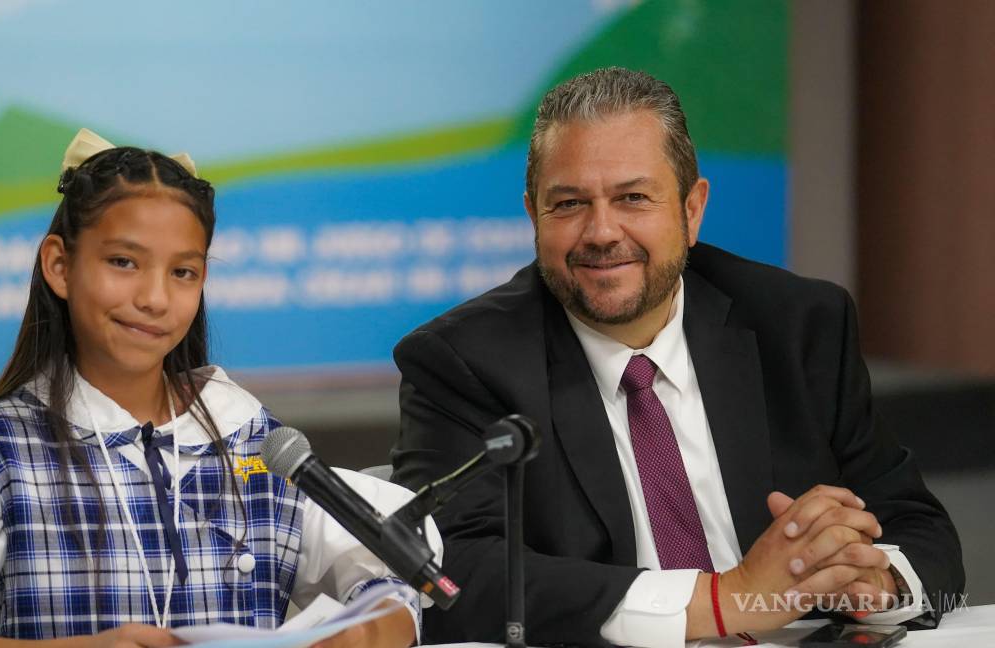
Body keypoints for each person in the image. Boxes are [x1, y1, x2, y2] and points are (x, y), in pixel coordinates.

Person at [390, 68, 964, 647]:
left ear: (692, 210)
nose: (601, 232)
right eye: (568, 204)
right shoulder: (463, 361)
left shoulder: (796, 324)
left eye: (633, 198)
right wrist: (724, 599)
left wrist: (878, 582)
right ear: (533, 215)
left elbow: (917, 525)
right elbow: (449, 574)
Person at [0, 129, 437, 647]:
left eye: (182, 272)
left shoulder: (250, 440)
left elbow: (387, 576)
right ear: (60, 266)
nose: (155, 298)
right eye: (123, 262)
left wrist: (365, 634)